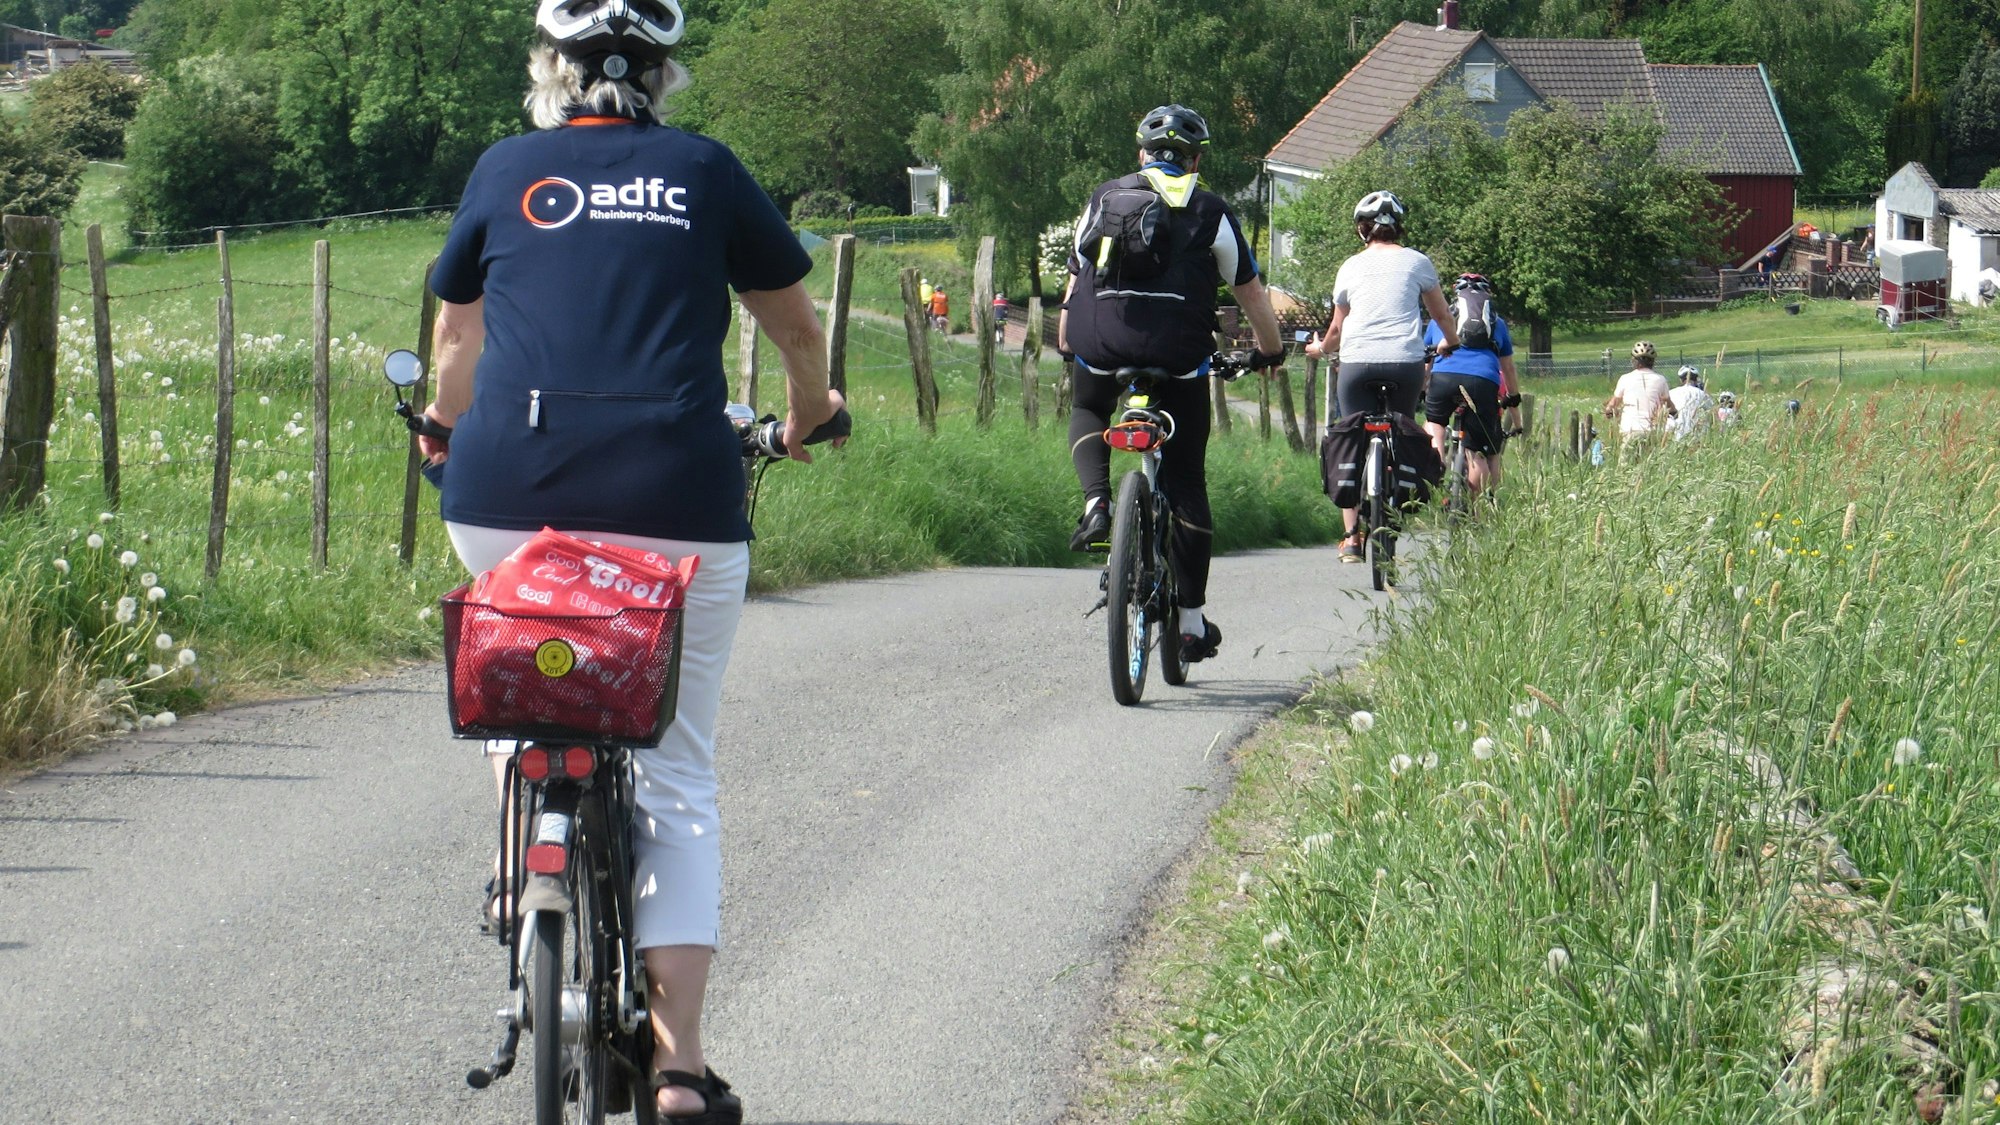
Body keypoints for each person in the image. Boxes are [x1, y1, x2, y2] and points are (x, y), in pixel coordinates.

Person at [419, 2, 843, 1118]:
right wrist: (810, 417)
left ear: (551, 73)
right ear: (664, 77)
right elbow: (798, 332)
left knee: (522, 701)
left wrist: (441, 427)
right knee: (675, 771)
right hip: (677, 495)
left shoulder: (506, 166)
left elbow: (456, 343)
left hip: (507, 491)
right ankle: (678, 1068)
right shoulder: (703, 170)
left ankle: (525, 851)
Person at [1058, 102, 1285, 664]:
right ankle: (1188, 621)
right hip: (1179, 355)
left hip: (1102, 344)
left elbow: (1075, 280)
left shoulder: (1105, 197)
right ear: (1196, 159)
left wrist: (1071, 344)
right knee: (1185, 478)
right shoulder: (1211, 209)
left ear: (1141, 153)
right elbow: (1250, 292)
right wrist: (1270, 351)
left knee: (1089, 407)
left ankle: (1095, 503)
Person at [1303, 190, 1457, 561]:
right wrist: (1450, 342)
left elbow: (1336, 331)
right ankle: (1398, 500)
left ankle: (1351, 536)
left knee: (1351, 430)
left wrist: (1320, 349)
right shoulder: (1418, 262)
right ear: (1398, 228)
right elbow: (1440, 315)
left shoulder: (1350, 266)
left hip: (1356, 364)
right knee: (1403, 427)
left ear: (1362, 229)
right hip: (1405, 363)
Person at [1421, 272, 1519, 502]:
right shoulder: (1498, 324)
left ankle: (1439, 463)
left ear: (1457, 295)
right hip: (1483, 382)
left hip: (1444, 377)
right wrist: (1513, 400)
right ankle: (1479, 514)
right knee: (1478, 452)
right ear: (1487, 296)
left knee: (1435, 423)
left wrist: (1424, 388)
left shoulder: (1440, 320)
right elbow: (1509, 368)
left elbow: (1428, 359)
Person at [1603, 340, 1675, 459]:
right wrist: (1674, 412)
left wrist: (1609, 410)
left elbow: (1613, 404)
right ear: (1653, 362)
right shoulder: (1660, 380)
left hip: (1630, 429)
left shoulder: (1625, 379)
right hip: (1651, 430)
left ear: (1634, 361)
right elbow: (1667, 403)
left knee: (1626, 467)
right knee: (1649, 466)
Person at [1666, 365, 1716, 440]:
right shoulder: (1702, 394)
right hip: (1698, 435)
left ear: (1681, 380)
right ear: (1696, 379)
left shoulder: (1671, 393)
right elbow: (1713, 411)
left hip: (1676, 434)